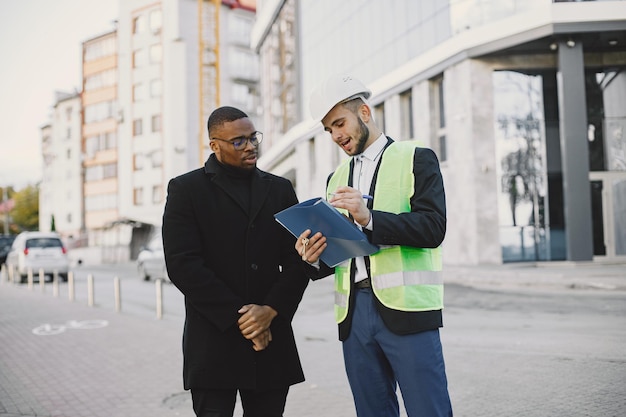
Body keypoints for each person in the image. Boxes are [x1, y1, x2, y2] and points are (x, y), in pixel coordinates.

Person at [296, 74, 453, 417]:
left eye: (339, 123)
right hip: (354, 315)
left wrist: (369, 218)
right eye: (329, 129)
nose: (336, 135)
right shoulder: (335, 179)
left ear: (364, 112)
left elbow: (433, 228)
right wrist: (312, 258)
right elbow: (338, 255)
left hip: (407, 310)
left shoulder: (416, 158)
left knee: (429, 409)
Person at [162, 106, 309, 417]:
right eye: (239, 141)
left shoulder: (280, 189)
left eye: (253, 137)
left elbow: (298, 261)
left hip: (271, 340)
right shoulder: (186, 189)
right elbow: (182, 265)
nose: (251, 146)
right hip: (214, 343)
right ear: (215, 145)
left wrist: (270, 311)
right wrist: (245, 320)